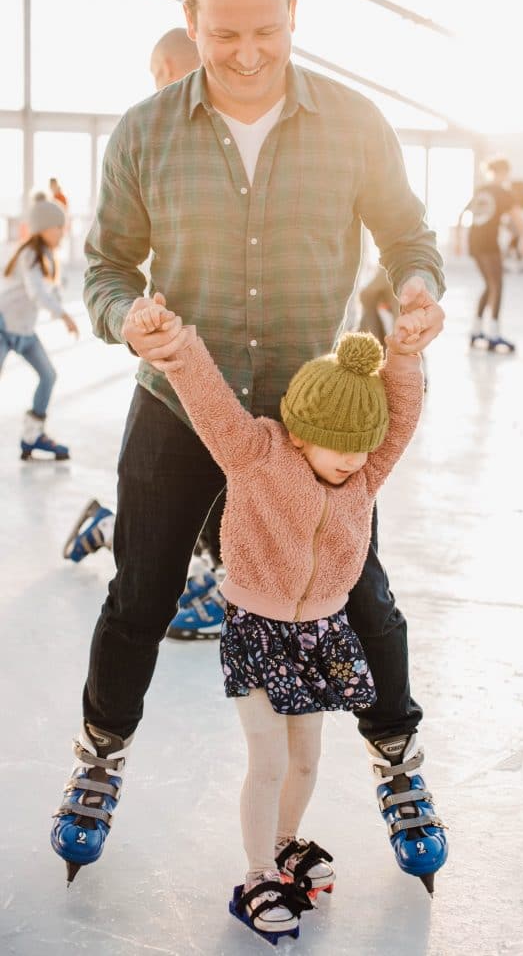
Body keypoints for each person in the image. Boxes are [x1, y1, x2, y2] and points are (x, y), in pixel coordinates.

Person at [51, 0, 447, 897]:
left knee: (363, 596)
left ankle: (397, 763)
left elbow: (407, 238)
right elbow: (104, 264)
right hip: (179, 405)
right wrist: (125, 318)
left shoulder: (353, 122)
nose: (245, 51)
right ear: (190, 18)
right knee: (140, 596)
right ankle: (100, 757)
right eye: (222, 32)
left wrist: (417, 288)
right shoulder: (147, 130)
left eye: (264, 29)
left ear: (294, 11)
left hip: (316, 425)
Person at [140, 307, 424, 941]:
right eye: (338, 444)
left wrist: (403, 358)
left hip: (321, 636)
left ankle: (286, 841)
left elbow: (399, 423)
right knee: (267, 761)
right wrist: (177, 345)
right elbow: (211, 405)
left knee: (306, 762)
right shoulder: (258, 456)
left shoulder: (364, 475)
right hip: (259, 632)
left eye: (362, 447)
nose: (352, 460)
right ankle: (257, 872)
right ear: (301, 430)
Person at [61, 26, 224, 640]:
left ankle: (106, 526)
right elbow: (109, 264)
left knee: (198, 502)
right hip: (181, 364)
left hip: (199, 360)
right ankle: (131, 543)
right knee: (200, 503)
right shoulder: (153, 135)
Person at [0, 198, 79, 459]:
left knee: (48, 375)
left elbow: (49, 291)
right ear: (44, 228)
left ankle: (32, 435)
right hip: (3, 328)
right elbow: (36, 293)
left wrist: (59, 301)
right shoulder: (29, 254)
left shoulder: (45, 256)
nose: (62, 233)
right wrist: (64, 315)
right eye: (59, 227)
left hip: (24, 331)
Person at [457, 156, 523, 352]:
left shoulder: (482, 190)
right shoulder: (504, 193)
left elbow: (463, 214)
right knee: (498, 285)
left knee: (489, 285)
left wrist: (458, 240)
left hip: (475, 243)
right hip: (489, 244)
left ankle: (476, 330)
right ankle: (494, 334)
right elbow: (517, 217)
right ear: (504, 172)